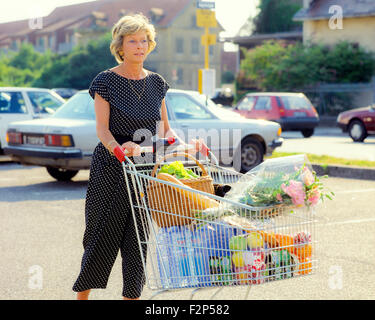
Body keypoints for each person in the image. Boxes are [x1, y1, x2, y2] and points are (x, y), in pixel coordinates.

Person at [72, 13, 205, 300]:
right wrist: (120, 150)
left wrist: (189, 147)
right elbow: (103, 131)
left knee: (138, 240)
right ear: (120, 46)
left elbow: (166, 132)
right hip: (111, 167)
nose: (139, 46)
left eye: (144, 40)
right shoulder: (105, 81)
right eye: (132, 40)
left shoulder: (157, 83)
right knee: (99, 237)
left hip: (144, 168)